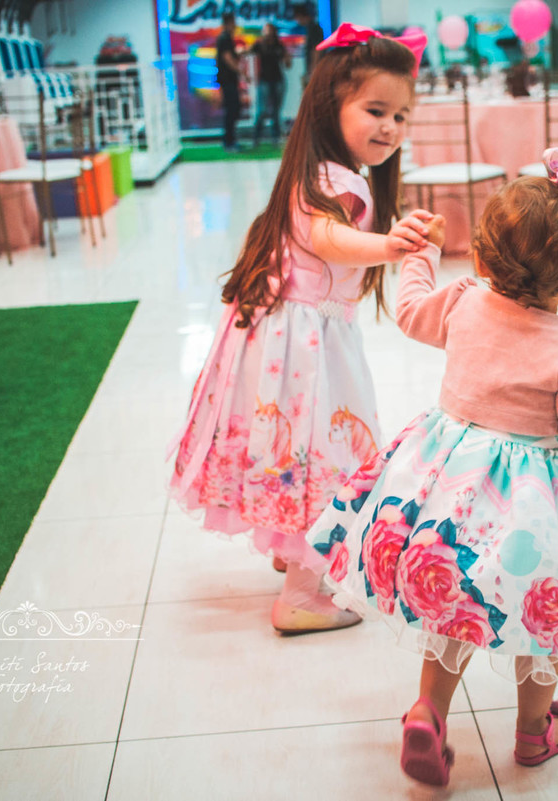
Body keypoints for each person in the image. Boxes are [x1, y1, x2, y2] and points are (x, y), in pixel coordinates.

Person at [304, 149, 558, 786]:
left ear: (480, 261)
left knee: (451, 599)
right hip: (527, 511)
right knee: (540, 610)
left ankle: (428, 712)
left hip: (444, 486)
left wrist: (424, 252)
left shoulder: (463, 303)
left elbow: (410, 309)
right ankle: (535, 732)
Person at [170, 25, 431, 634]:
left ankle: (292, 555)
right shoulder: (333, 180)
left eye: (400, 115)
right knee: (326, 458)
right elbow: (326, 237)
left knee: (294, 451)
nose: (391, 127)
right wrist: (389, 245)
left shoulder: (323, 170)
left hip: (287, 335)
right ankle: (301, 596)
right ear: (329, 105)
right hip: (306, 346)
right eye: (375, 110)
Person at [251, 22, 291, 142]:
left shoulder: (279, 45)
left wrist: (287, 58)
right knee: (261, 110)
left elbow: (287, 63)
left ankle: (275, 136)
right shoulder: (259, 45)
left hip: (277, 80)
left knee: (276, 111)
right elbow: (247, 53)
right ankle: (256, 136)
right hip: (264, 80)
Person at [215, 12, 242, 152]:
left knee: (233, 110)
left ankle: (230, 140)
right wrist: (241, 71)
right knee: (232, 110)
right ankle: (229, 141)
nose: (235, 25)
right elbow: (227, 58)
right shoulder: (224, 38)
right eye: (233, 22)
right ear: (228, 23)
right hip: (227, 80)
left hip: (228, 80)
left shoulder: (226, 38)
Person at [292, 3, 325, 85]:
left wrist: (313, 70)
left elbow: (316, 50)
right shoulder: (310, 28)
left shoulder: (314, 28)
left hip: (315, 68)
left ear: (300, 16)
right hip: (313, 68)